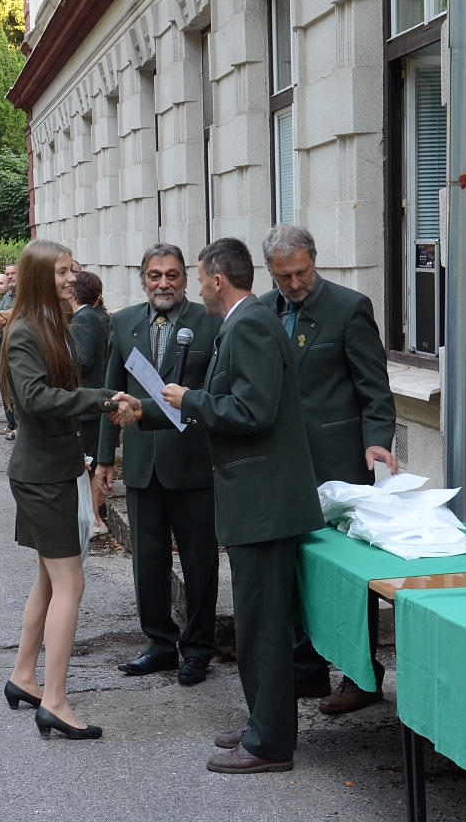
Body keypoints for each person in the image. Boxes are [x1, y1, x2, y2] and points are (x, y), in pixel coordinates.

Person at [119, 237, 324, 773]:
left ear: (215, 280)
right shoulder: (246, 322)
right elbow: (226, 405)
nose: (197, 289)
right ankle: (262, 724)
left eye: (198, 278)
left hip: (263, 506)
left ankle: (270, 744)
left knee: (263, 627)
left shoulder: (249, 325)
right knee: (258, 624)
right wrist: (147, 410)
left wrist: (190, 398)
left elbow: (253, 411)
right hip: (258, 503)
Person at [259, 224, 399, 714]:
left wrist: (377, 441)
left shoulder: (349, 307)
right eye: (284, 277)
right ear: (270, 272)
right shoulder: (263, 311)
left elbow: (374, 387)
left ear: (313, 261)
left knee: (348, 576)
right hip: (285, 467)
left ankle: (363, 677)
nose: (295, 284)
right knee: (298, 568)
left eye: (301, 272)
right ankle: (307, 671)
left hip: (339, 465)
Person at [0, 239, 135, 741]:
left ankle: (24, 676)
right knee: (70, 584)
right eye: (61, 272)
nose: (71, 279)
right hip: (42, 476)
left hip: (53, 468)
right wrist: (101, 400)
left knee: (49, 579)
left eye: (72, 270)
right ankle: (54, 701)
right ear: (41, 277)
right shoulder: (25, 331)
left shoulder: (47, 323)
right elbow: (35, 398)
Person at [97, 244, 222, 686]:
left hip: (192, 462)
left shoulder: (209, 321)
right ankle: (159, 644)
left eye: (172, 275)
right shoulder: (123, 322)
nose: (163, 283)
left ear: (185, 279)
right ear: (143, 280)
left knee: (199, 562)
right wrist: (104, 458)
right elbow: (111, 392)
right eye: (155, 275)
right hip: (142, 464)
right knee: (147, 562)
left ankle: (199, 649)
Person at [68, 270, 109, 536]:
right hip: (95, 404)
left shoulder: (83, 319)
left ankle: (95, 520)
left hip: (87, 407)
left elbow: (82, 362)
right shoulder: (96, 316)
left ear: (74, 292)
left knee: (89, 465)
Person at [0, 263, 19, 440]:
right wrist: (6, 315)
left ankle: (19, 427)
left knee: (18, 387)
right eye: (7, 274)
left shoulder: (25, 295)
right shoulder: (7, 296)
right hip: (4, 346)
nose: (9, 277)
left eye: (13, 273)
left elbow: (20, 314)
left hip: (18, 345)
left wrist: (6, 316)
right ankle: (12, 424)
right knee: (6, 386)